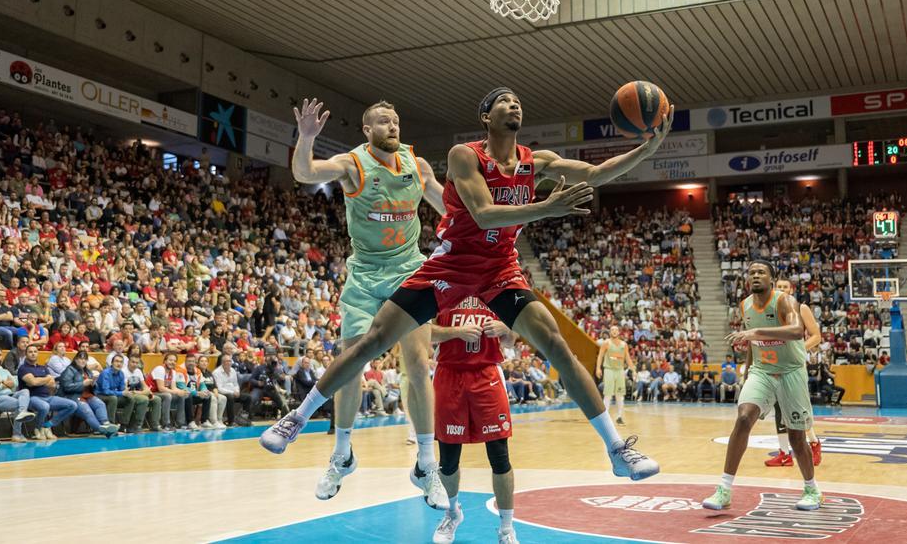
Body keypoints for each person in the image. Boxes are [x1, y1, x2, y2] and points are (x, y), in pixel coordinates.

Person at [262, 88, 671, 488]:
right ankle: (298, 416)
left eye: (518, 101)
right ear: (486, 117)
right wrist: (547, 208)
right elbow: (484, 214)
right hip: (453, 265)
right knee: (371, 342)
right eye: (504, 101)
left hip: (499, 270)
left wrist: (644, 152)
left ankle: (616, 449)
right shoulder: (464, 155)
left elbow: (597, 173)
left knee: (555, 343)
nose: (514, 105)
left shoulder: (535, 160)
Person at [286, 98, 449, 505]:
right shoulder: (352, 163)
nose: (392, 126)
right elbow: (305, 172)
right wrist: (306, 139)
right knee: (352, 361)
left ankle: (427, 464)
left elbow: (451, 209)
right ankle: (342, 454)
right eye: (383, 121)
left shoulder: (418, 165)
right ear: (367, 130)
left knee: (417, 362)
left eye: (395, 120)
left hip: (410, 268)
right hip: (365, 272)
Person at [703, 262, 821, 512]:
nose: (755, 276)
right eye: (752, 272)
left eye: (761, 272)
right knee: (744, 418)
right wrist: (748, 375)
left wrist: (755, 331)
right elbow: (751, 342)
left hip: (791, 371)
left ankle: (812, 488)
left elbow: (797, 329)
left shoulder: (785, 301)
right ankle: (724, 489)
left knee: (796, 437)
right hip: (762, 370)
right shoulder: (745, 305)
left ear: (772, 278)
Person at [429, 297, 520, 544]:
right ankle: (452, 512)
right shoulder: (441, 287)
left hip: (487, 374)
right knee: (448, 459)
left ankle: (506, 528)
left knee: (500, 457)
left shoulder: (496, 289)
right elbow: (425, 333)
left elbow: (511, 340)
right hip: (449, 374)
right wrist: (456, 332)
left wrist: (506, 329)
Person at [765, 278, 823, 468]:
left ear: (791, 289)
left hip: (794, 365)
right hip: (775, 363)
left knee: (798, 407)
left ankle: (814, 443)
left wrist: (799, 349)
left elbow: (816, 336)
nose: (782, 289)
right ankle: (784, 454)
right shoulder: (770, 310)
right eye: (779, 287)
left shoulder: (801, 308)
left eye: (785, 287)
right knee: (779, 409)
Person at [18, 344, 76, 440]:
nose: (33, 354)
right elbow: (33, 382)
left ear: (38, 353)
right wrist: (46, 379)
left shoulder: (43, 368)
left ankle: (47, 425)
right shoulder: (23, 368)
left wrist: (37, 381)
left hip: (48, 397)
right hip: (32, 398)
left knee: (72, 405)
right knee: (45, 406)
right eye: (30, 352)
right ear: (26, 354)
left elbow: (52, 384)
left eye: (35, 352)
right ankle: (37, 428)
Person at [0, 347, 36, 442]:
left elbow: (15, 384)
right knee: (20, 404)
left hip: (10, 395)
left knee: (25, 391)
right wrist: (6, 384)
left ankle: (22, 412)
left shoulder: (4, 371)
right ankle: (17, 434)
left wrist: (4, 383)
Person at [58, 350, 119, 437]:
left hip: (87, 396)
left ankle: (106, 424)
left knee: (100, 404)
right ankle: (102, 430)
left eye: (85, 359)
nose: (83, 361)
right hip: (73, 397)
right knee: (87, 411)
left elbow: (93, 388)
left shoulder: (87, 371)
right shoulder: (69, 370)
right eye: (81, 358)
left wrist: (93, 384)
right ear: (75, 360)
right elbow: (66, 387)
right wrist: (82, 384)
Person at [95, 353, 149, 433]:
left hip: (113, 394)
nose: (119, 363)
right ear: (112, 363)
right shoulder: (105, 373)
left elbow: (122, 389)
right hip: (100, 395)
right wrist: (122, 393)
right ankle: (110, 425)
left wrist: (126, 391)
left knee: (130, 398)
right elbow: (106, 391)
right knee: (113, 398)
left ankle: (123, 425)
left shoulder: (121, 374)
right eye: (116, 361)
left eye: (121, 362)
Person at [595, 325, 635, 425]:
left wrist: (633, 370)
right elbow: (600, 356)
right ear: (610, 332)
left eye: (616, 330)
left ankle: (619, 417)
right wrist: (598, 368)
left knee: (619, 395)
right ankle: (605, 418)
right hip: (609, 370)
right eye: (612, 330)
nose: (614, 331)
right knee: (608, 394)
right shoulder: (606, 343)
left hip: (620, 371)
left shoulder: (624, 344)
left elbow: (628, 358)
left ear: (619, 332)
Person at [212, 353, 249, 426]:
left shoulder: (233, 370)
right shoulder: (216, 372)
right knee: (230, 397)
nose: (229, 363)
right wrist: (232, 392)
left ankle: (244, 419)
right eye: (227, 361)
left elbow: (235, 384)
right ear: (222, 362)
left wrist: (237, 391)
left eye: (230, 361)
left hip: (234, 392)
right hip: (223, 393)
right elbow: (219, 388)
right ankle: (231, 421)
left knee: (248, 398)